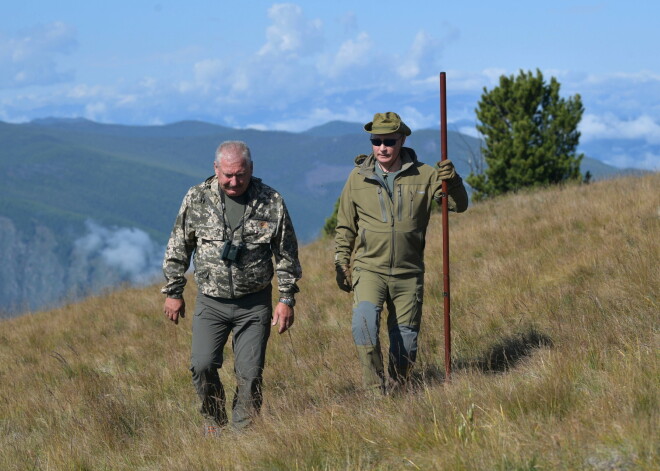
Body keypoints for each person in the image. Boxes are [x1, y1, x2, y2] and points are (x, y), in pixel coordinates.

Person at [161, 140, 302, 432]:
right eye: (227, 174)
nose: (233, 181)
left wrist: (286, 299)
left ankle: (243, 433)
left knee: (250, 374)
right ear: (216, 169)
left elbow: (286, 253)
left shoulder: (270, 201)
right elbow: (178, 246)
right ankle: (215, 422)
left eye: (240, 174)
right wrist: (174, 292)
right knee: (202, 365)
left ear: (250, 169)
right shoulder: (197, 198)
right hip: (211, 301)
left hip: (254, 303)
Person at [334, 112, 468, 395]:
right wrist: (341, 261)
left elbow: (457, 206)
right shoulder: (357, 178)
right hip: (369, 269)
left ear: (402, 140)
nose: (382, 147)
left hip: (409, 272)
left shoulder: (426, 174)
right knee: (365, 328)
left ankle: (398, 385)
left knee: (405, 342)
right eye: (377, 141)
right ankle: (374, 393)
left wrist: (453, 181)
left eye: (389, 141)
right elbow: (345, 224)